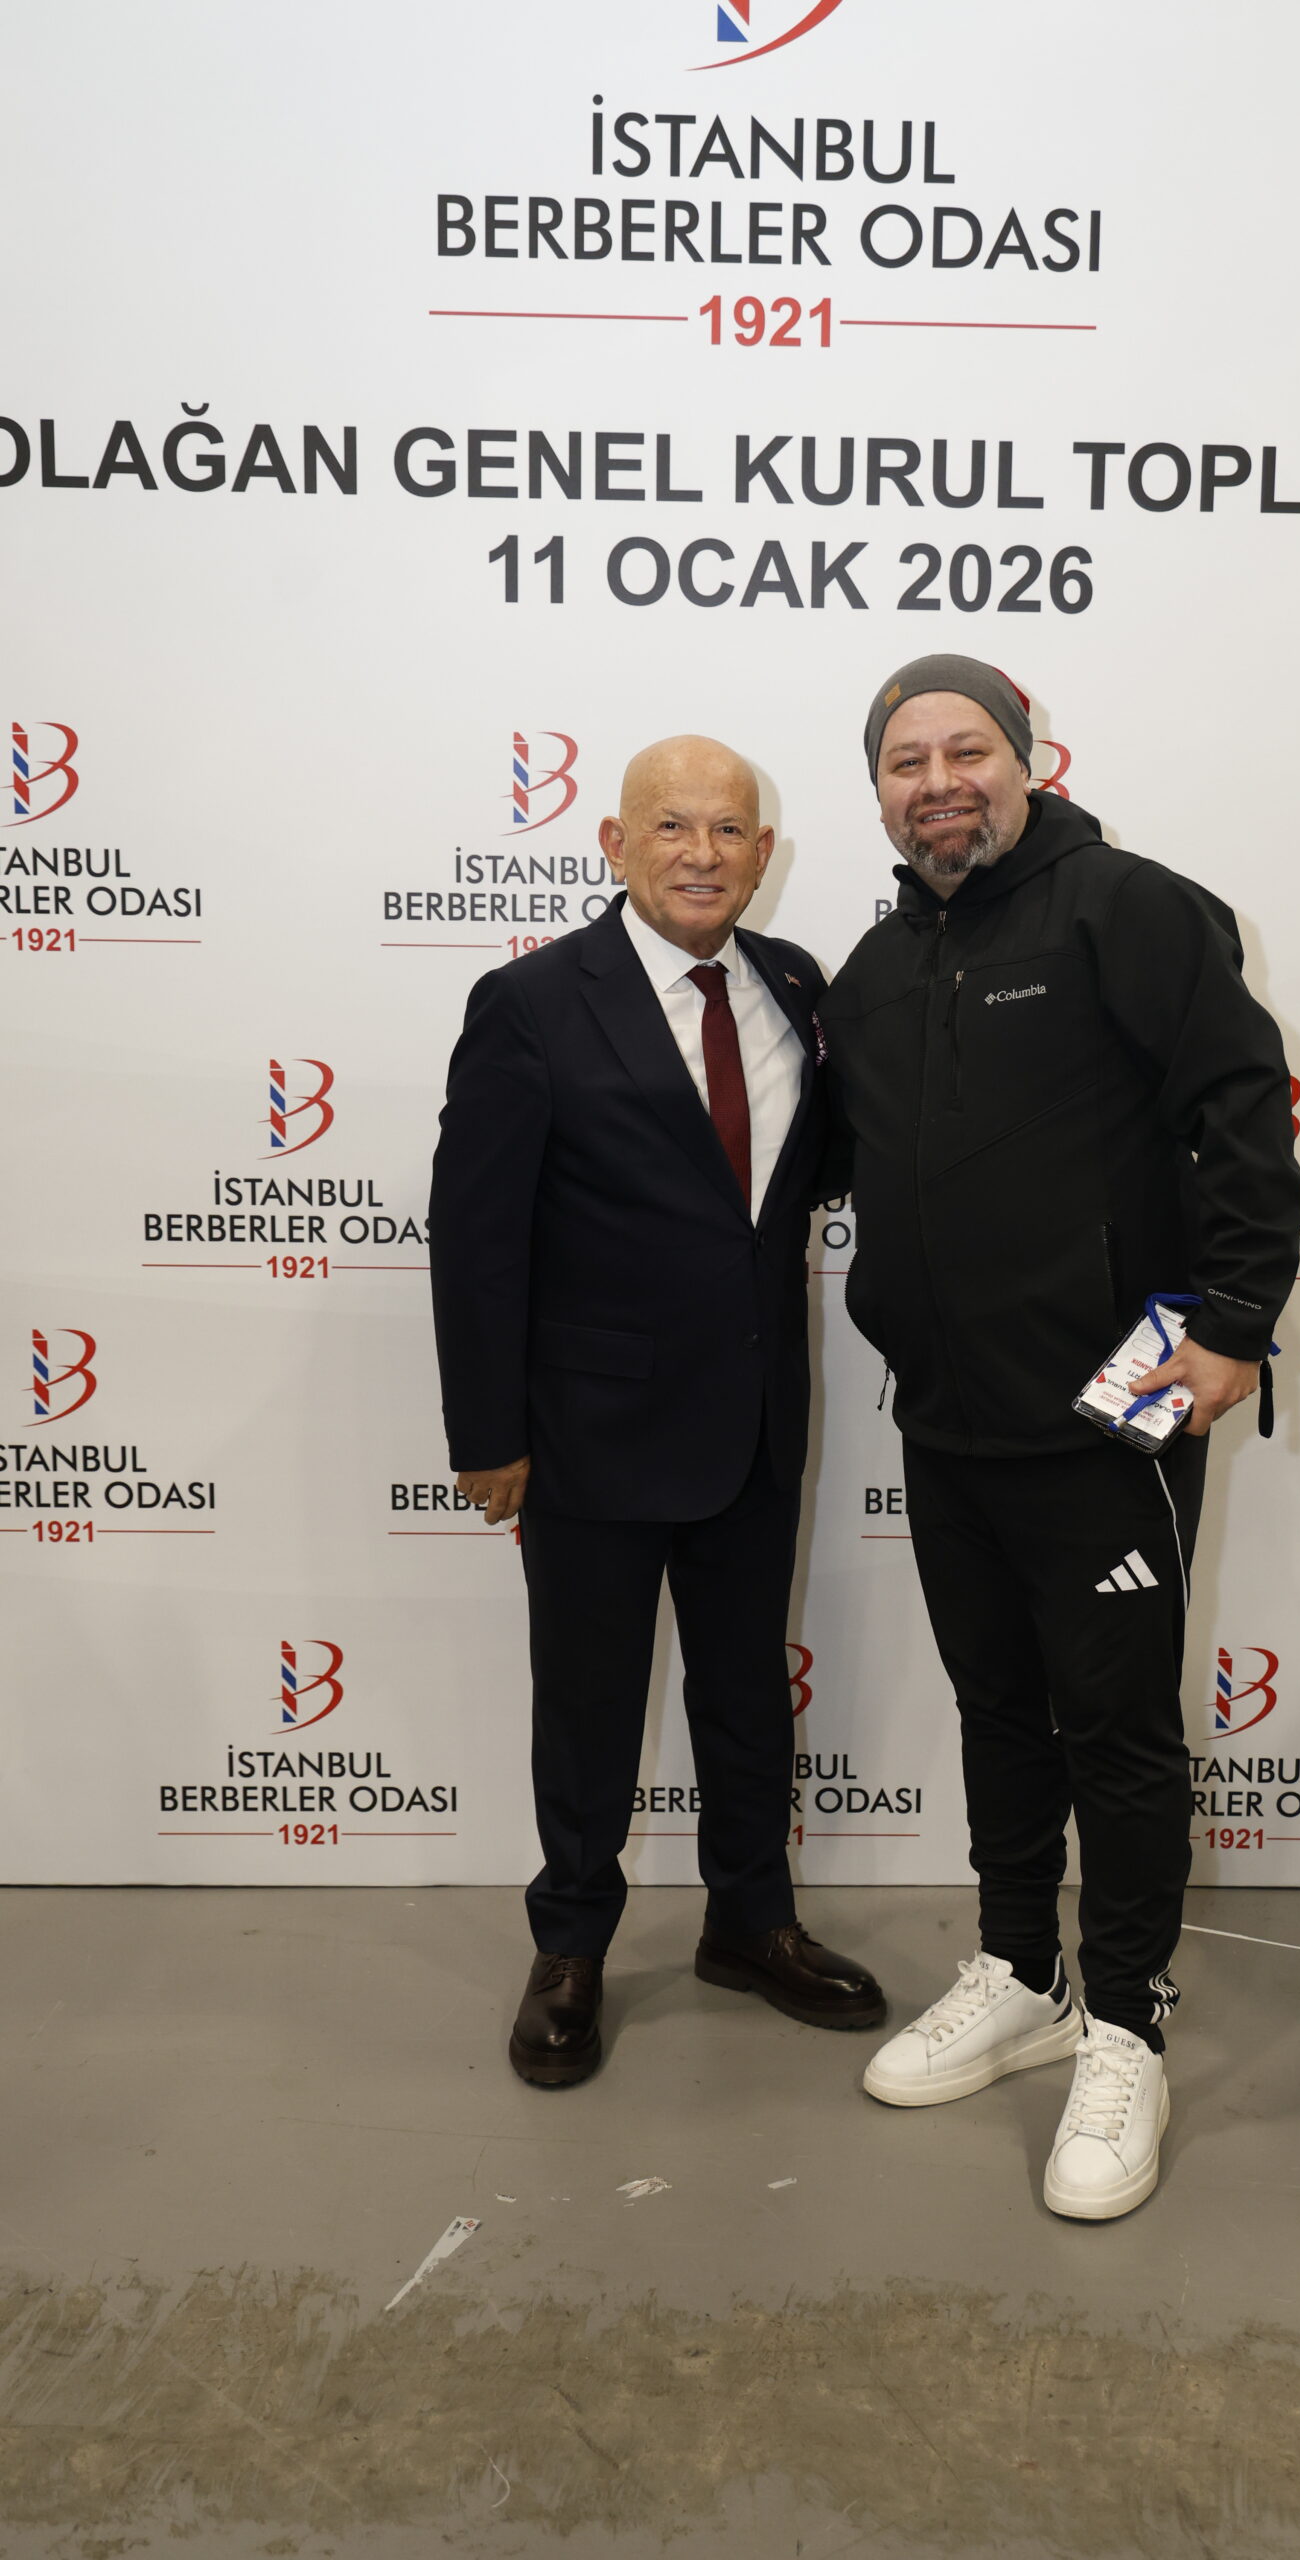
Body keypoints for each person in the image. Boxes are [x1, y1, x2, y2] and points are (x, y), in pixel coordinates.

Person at [821, 656, 1300, 2220]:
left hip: (1112, 1414)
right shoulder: (876, 966)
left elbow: (1244, 1108)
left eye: (968, 750)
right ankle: (1023, 1970)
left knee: (1118, 1728)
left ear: (1029, 764)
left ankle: (1130, 2026)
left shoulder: (1130, 909)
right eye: (907, 760)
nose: (939, 782)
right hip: (947, 1416)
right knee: (998, 1708)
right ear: (879, 791)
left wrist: (1233, 1322)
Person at [429, 735, 884, 2089]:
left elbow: (816, 1174)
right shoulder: (530, 1003)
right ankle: (570, 1945)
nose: (703, 853)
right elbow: (477, 1236)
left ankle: (750, 1922)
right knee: (589, 1703)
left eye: (730, 830)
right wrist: (488, 1434)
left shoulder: (796, 986)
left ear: (764, 853)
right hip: (588, 1431)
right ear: (615, 845)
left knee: (747, 1693)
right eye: (672, 827)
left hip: (756, 1419)